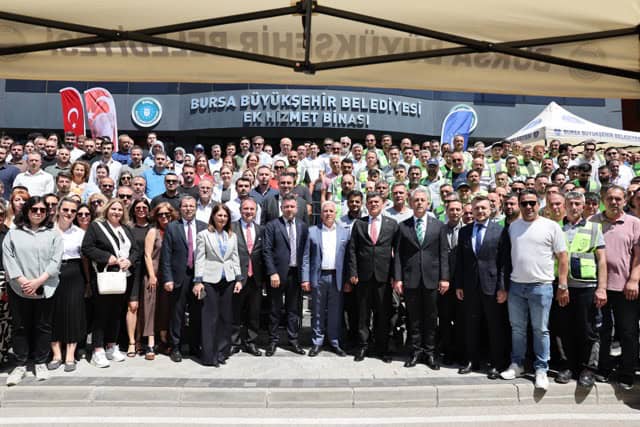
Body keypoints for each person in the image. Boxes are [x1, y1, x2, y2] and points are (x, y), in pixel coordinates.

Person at [500, 189, 568, 391]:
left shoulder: (551, 226)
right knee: (517, 329)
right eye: (524, 203)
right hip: (516, 286)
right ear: (519, 205)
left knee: (541, 330)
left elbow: (562, 257)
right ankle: (518, 364)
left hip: (541, 286)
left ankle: (541, 369)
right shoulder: (513, 227)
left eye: (532, 203)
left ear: (539, 204)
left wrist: (562, 285)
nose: (528, 207)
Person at [3, 196, 63, 386]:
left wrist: (38, 281)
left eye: (42, 210)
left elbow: (56, 260)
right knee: (20, 326)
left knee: (43, 326)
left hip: (45, 286)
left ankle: (40, 362)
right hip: (19, 287)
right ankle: (20, 364)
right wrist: (23, 281)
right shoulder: (13, 233)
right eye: (34, 209)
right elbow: (8, 259)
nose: (38, 213)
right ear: (27, 211)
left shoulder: (53, 234)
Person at [552, 191, 607, 388]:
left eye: (577, 203)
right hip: (561, 287)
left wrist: (602, 288)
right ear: (564, 206)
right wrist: (561, 285)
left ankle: (588, 369)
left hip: (586, 287)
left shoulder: (594, 228)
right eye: (570, 203)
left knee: (588, 329)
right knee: (563, 328)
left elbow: (602, 260)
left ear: (583, 206)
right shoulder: (556, 227)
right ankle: (567, 366)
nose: (574, 207)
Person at [81, 198, 141, 368]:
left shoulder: (126, 228)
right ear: (107, 210)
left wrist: (129, 260)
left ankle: (111, 346)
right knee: (101, 313)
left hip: (123, 277)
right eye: (114, 209)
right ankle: (97, 350)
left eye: (120, 210)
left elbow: (136, 250)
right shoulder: (96, 227)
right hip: (104, 276)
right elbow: (87, 248)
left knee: (116, 313)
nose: (117, 212)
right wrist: (109, 258)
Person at [394, 188, 449, 369]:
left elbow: (443, 253)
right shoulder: (403, 226)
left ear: (428, 203)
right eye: (416, 200)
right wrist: (398, 278)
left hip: (432, 279)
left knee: (431, 318)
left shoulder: (438, 226)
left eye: (422, 200)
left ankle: (430, 352)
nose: (419, 203)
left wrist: (444, 277)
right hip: (411, 279)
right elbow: (399, 255)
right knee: (414, 318)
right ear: (411, 203)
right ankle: (416, 351)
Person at [591, 185, 640, 390]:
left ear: (625, 200)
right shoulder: (593, 221)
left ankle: (627, 372)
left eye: (618, 199)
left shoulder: (634, 223)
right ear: (603, 200)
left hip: (625, 287)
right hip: (599, 287)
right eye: (610, 198)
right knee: (603, 331)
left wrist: (634, 279)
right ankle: (603, 368)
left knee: (628, 331)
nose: (614, 202)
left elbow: (638, 256)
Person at [455, 195, 508, 379]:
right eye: (476, 208)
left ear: (490, 209)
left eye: (483, 208)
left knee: (494, 326)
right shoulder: (464, 231)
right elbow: (460, 261)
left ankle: (496, 363)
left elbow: (504, 262)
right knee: (471, 325)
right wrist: (459, 285)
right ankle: (472, 361)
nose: (480, 211)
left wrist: (503, 287)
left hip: (492, 287)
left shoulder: (500, 231)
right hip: (470, 286)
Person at [349, 191, 399, 363]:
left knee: (383, 314)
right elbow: (352, 250)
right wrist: (353, 272)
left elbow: (397, 253)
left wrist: (395, 276)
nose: (373, 204)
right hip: (363, 277)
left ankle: (382, 348)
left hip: (384, 277)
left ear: (383, 204)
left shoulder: (392, 224)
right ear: (366, 205)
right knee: (363, 314)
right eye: (370, 202)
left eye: (376, 202)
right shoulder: (359, 224)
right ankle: (363, 346)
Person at [193, 204, 243, 366]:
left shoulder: (232, 236)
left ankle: (222, 352)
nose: (222, 218)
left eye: (225, 216)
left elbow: (235, 257)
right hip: (209, 280)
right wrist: (198, 281)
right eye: (219, 215)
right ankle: (209, 355)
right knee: (210, 317)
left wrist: (238, 279)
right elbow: (200, 258)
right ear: (213, 216)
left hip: (228, 279)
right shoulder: (203, 235)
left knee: (225, 317)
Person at [160, 196, 207, 362]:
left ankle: (195, 346)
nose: (188, 209)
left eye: (191, 206)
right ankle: (176, 347)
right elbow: (166, 255)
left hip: (198, 277)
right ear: (180, 209)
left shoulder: (204, 227)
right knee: (177, 314)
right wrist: (167, 278)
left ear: (196, 208)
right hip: (178, 277)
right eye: (185, 206)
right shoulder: (172, 227)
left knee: (197, 312)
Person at [263, 193, 309, 357]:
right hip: (277, 274)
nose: (289, 209)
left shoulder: (303, 226)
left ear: (297, 208)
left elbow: (305, 252)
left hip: (295, 274)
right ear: (281, 208)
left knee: (293, 309)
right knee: (274, 309)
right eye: (286, 206)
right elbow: (267, 251)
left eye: (292, 206)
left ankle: (293, 340)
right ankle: (273, 341)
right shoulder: (272, 225)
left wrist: (305, 276)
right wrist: (272, 272)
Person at [301, 201, 349, 357]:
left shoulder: (344, 233)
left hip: (337, 277)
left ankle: (334, 342)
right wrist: (305, 279)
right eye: (325, 211)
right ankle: (317, 342)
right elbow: (306, 257)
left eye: (331, 211)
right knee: (317, 311)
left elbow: (348, 259)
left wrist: (348, 279)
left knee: (335, 311)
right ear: (321, 214)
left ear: (336, 214)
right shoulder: (312, 231)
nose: (328, 213)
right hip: (319, 276)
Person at [49, 197, 86, 373]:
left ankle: (70, 355)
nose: (69, 213)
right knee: (52, 312)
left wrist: (88, 282)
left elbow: (85, 258)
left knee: (73, 312)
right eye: (65, 209)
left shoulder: (79, 233)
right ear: (58, 209)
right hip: (51, 273)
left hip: (74, 273)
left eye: (73, 211)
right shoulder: (47, 230)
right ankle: (56, 354)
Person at [140, 203, 177, 360]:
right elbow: (147, 255)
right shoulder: (153, 232)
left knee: (165, 308)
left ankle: (163, 339)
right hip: (153, 274)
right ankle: (150, 342)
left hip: (168, 276)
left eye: (167, 214)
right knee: (151, 308)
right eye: (160, 214)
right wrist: (151, 275)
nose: (164, 217)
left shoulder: (174, 230)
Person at [230, 198, 264, 357]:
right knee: (235, 311)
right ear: (240, 210)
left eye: (252, 209)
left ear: (256, 211)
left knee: (254, 313)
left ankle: (251, 342)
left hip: (255, 277)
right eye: (245, 209)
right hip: (237, 278)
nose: (249, 212)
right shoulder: (231, 228)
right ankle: (234, 342)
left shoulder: (261, 229)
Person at [127, 198, 151, 357]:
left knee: (147, 306)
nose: (141, 210)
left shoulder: (153, 227)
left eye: (144, 207)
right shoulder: (128, 227)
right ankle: (131, 342)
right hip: (134, 269)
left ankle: (144, 340)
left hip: (149, 270)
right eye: (138, 207)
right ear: (133, 210)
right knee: (133, 306)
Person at [0, 204, 10, 366]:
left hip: (5, 279)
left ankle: (1, 356)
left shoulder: (9, 234)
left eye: (2, 213)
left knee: (4, 322)